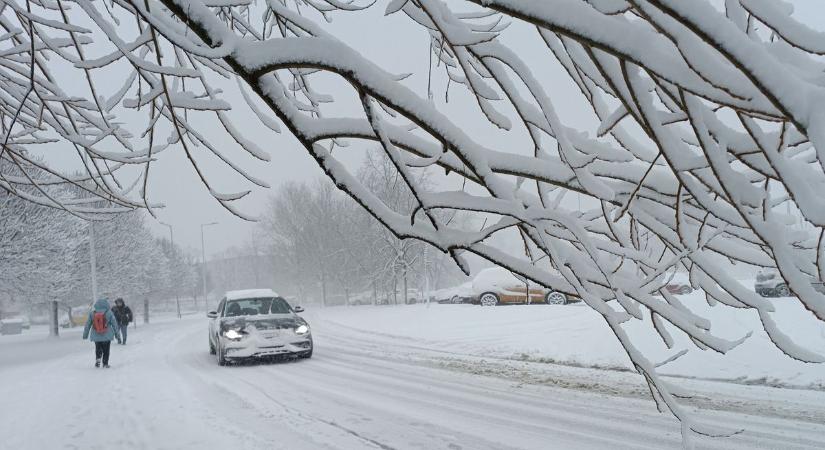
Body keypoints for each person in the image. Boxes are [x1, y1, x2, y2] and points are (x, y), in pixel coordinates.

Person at [82, 298, 120, 368]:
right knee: (106, 350)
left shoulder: (92, 313)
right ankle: (105, 363)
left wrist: (85, 335)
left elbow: (87, 324)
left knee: (98, 348)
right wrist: (117, 335)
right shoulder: (109, 313)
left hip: (96, 335)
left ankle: (98, 359)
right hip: (107, 335)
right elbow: (114, 324)